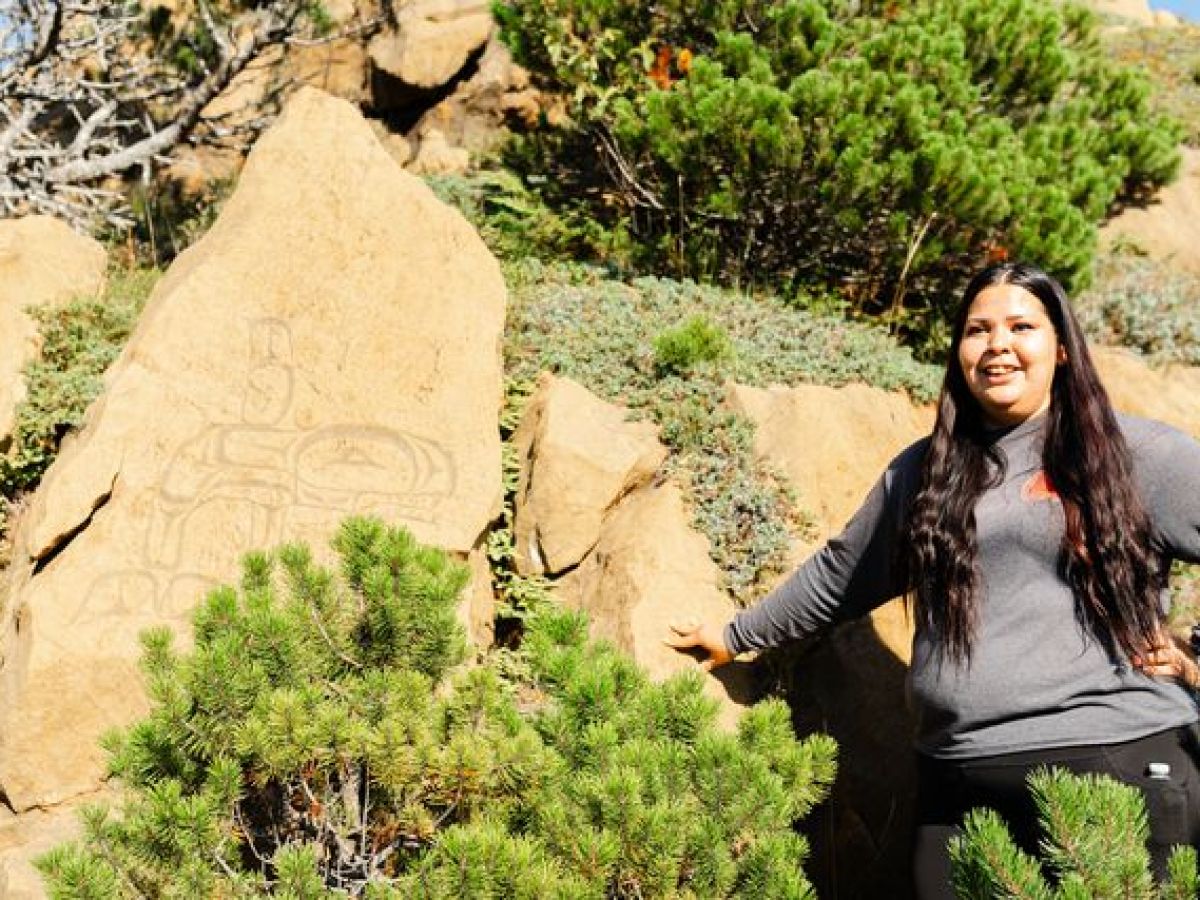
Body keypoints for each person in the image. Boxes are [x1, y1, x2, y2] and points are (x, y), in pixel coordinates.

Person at [666, 262, 1200, 897]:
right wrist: (735, 633)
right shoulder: (928, 470)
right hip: (956, 778)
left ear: (1061, 349)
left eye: (1021, 327)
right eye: (978, 330)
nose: (997, 344)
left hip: (1112, 763)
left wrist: (1195, 654)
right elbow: (843, 574)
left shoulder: (1137, 454)